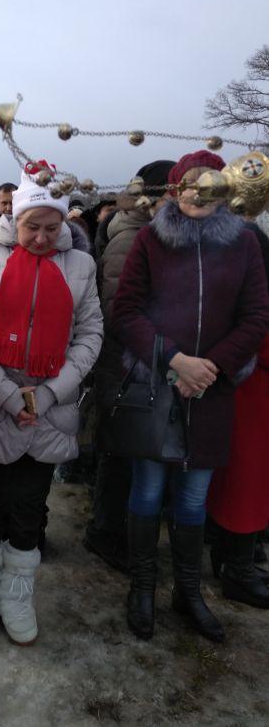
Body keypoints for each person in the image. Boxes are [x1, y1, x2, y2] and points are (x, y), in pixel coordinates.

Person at [112, 150, 269, 644]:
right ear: (174, 189)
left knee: (194, 497)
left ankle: (188, 590)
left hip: (213, 391)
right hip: (158, 386)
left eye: (206, 184)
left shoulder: (243, 244)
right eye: (186, 184)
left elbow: (256, 317)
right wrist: (174, 359)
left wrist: (211, 367)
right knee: (149, 491)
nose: (195, 194)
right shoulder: (150, 239)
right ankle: (142, 587)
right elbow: (126, 311)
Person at [0, 164, 103, 645]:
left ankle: (17, 595)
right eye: (30, 226)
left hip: (50, 408)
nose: (40, 237)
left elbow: (90, 334)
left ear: (64, 223)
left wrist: (49, 392)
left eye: (51, 227)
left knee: (29, 506)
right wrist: (6, 392)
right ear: (14, 219)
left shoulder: (81, 266)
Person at [84, 161, 174, 573]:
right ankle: (105, 533)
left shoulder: (152, 233)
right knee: (119, 452)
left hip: (142, 362)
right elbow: (119, 310)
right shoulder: (130, 237)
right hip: (124, 364)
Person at [207, 221, 269, 609]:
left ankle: (232, 558)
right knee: (246, 485)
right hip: (252, 393)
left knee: (239, 484)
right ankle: (238, 570)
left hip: (246, 391)